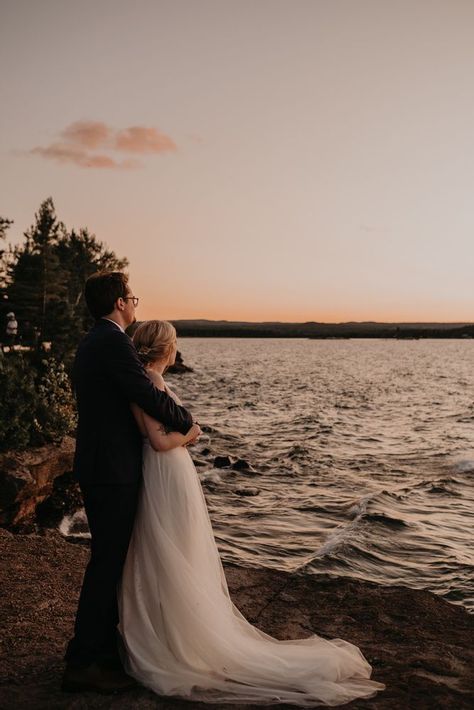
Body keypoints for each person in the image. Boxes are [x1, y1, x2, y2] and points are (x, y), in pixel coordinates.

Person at [118, 320, 386, 707]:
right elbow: (160, 440)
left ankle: (171, 631)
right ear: (166, 348)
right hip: (166, 470)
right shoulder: (152, 383)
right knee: (175, 551)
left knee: (170, 552)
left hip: (167, 473)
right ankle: (180, 642)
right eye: (175, 342)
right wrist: (191, 434)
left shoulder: (145, 380)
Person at [62, 273, 195, 694]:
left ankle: (99, 651)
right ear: (120, 303)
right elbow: (146, 394)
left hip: (101, 464)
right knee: (108, 563)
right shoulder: (112, 341)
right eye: (133, 298)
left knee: (110, 560)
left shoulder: (93, 341)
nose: (135, 305)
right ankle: (84, 661)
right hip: (111, 470)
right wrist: (188, 423)